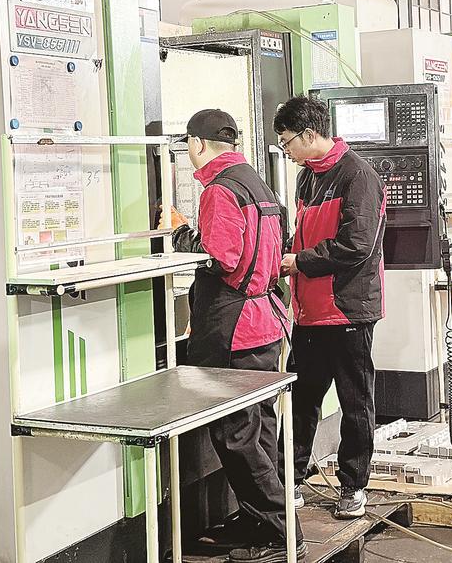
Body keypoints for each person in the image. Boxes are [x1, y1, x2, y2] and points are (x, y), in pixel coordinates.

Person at [169, 108, 305, 563]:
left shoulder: (219, 190)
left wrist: (180, 233)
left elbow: (221, 256)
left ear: (197, 144)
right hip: (266, 324)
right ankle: (259, 519)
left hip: (235, 330)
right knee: (259, 428)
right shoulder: (257, 183)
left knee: (236, 435)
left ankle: (281, 532)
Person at [274, 96, 386, 520]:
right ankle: (291, 479)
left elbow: (356, 245)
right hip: (308, 312)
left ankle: (354, 486)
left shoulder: (359, 176)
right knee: (302, 399)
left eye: (287, 142)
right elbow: (304, 234)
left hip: (348, 311)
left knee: (355, 402)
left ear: (308, 135)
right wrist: (284, 256)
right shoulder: (307, 178)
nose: (286, 151)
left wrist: (300, 262)